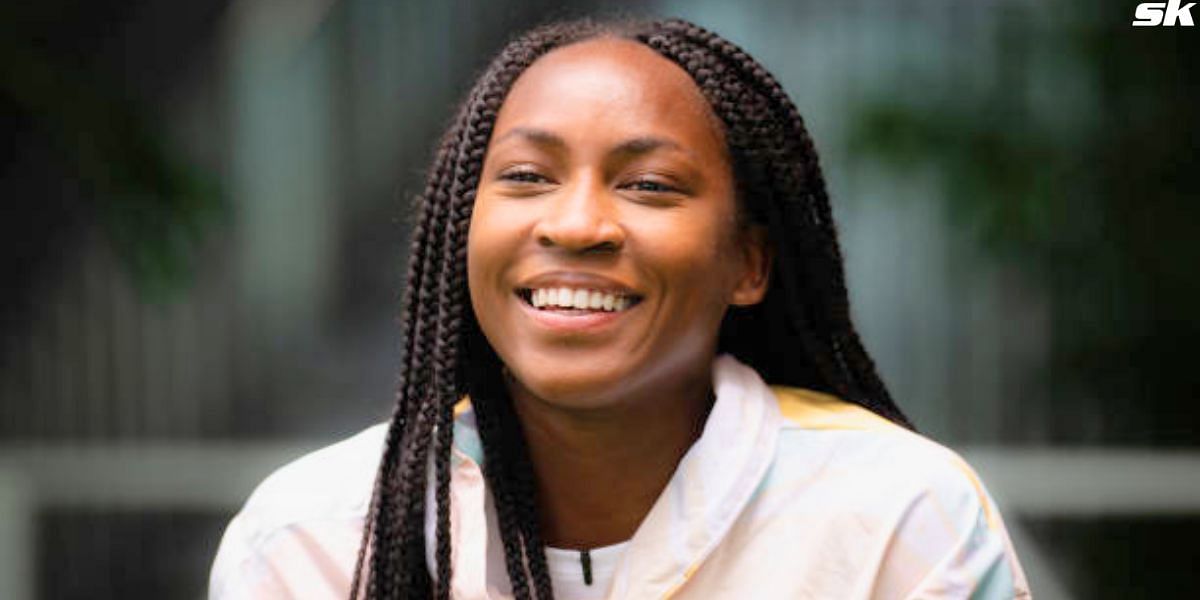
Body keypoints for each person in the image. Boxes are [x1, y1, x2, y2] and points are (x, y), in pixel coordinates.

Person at [210, 17, 1030, 600]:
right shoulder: (314, 536)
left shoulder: (896, 516)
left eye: (648, 185)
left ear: (748, 262)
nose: (576, 225)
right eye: (528, 176)